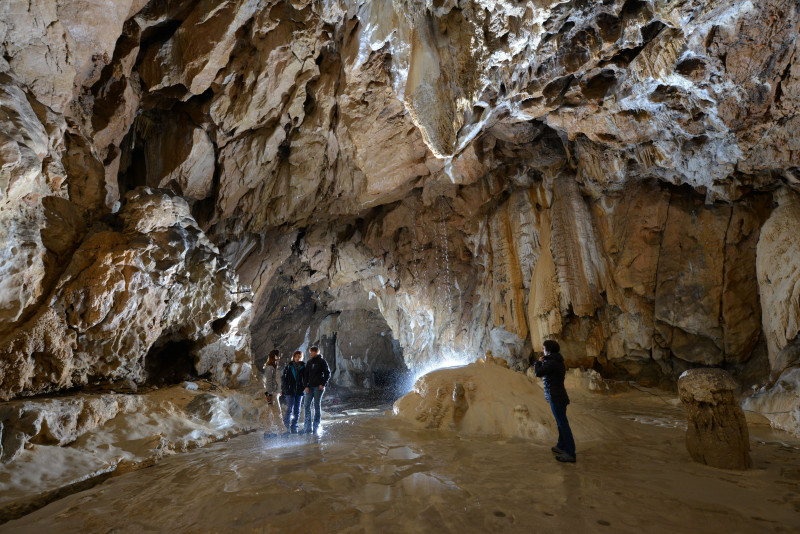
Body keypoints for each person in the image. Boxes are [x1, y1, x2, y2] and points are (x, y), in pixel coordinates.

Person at [534, 340, 576, 463]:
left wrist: (538, 362)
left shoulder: (551, 362)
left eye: (543, 348)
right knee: (560, 422)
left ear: (548, 350)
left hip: (556, 396)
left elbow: (538, 373)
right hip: (559, 396)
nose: (542, 351)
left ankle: (570, 452)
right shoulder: (557, 361)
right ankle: (561, 446)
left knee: (563, 423)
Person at [302, 346, 330, 435]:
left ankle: (316, 426)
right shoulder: (309, 362)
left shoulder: (322, 362)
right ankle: (307, 427)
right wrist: (305, 386)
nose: (310, 353)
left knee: (316, 405)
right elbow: (305, 375)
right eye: (310, 352)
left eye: (312, 352)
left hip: (318, 387)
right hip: (309, 387)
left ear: (317, 352)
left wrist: (323, 383)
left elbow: (327, 373)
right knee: (306, 405)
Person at [281, 350, 306, 434]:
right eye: (296, 357)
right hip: (290, 391)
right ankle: (286, 427)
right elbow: (283, 378)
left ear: (301, 357)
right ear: (293, 357)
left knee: (297, 409)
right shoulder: (289, 366)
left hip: (299, 391)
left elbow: (306, 379)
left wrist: (304, 387)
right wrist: (285, 389)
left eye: (299, 357)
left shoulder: (304, 367)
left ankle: (294, 427)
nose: (297, 358)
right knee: (289, 408)